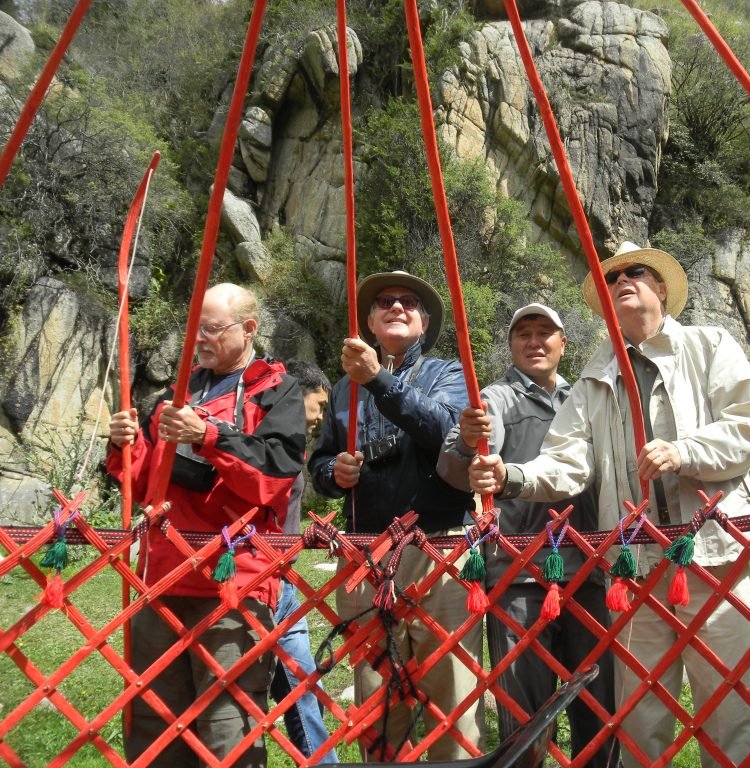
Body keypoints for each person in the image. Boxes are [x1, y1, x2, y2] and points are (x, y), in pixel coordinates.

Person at [469, 243, 750, 768]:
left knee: (726, 707)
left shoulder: (709, 345)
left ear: (660, 289)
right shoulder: (595, 377)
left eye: (637, 272)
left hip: (714, 553)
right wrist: (511, 475)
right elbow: (566, 460)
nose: (624, 280)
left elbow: (748, 423)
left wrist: (684, 451)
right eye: (613, 278)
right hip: (635, 564)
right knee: (638, 713)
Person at [107, 283, 307, 767]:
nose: (199, 339)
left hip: (232, 580)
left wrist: (210, 436)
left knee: (227, 724)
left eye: (212, 329)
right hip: (162, 576)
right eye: (195, 329)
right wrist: (124, 444)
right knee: (154, 716)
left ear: (249, 329)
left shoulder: (278, 390)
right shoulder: (175, 394)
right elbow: (142, 478)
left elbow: (274, 477)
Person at [308, 270, 482, 760]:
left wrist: (379, 380)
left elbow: (446, 430)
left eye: (409, 302)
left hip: (439, 547)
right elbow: (317, 464)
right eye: (385, 301)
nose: (396, 307)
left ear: (424, 322)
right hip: (364, 553)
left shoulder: (450, 374)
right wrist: (332, 473)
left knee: (452, 694)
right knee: (377, 698)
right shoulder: (344, 388)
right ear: (368, 319)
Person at [437, 303, 618, 767]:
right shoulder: (493, 400)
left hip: (590, 568)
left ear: (564, 343)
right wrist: (465, 444)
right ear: (511, 344)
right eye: (524, 334)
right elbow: (456, 468)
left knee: (598, 703)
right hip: (518, 571)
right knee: (526, 710)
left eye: (545, 333)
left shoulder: (586, 398)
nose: (534, 341)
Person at [270, 359, 337, 763]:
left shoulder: (293, 444)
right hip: (253, 580)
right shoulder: (264, 439)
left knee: (301, 686)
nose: (320, 417)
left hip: (285, 582)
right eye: (320, 405)